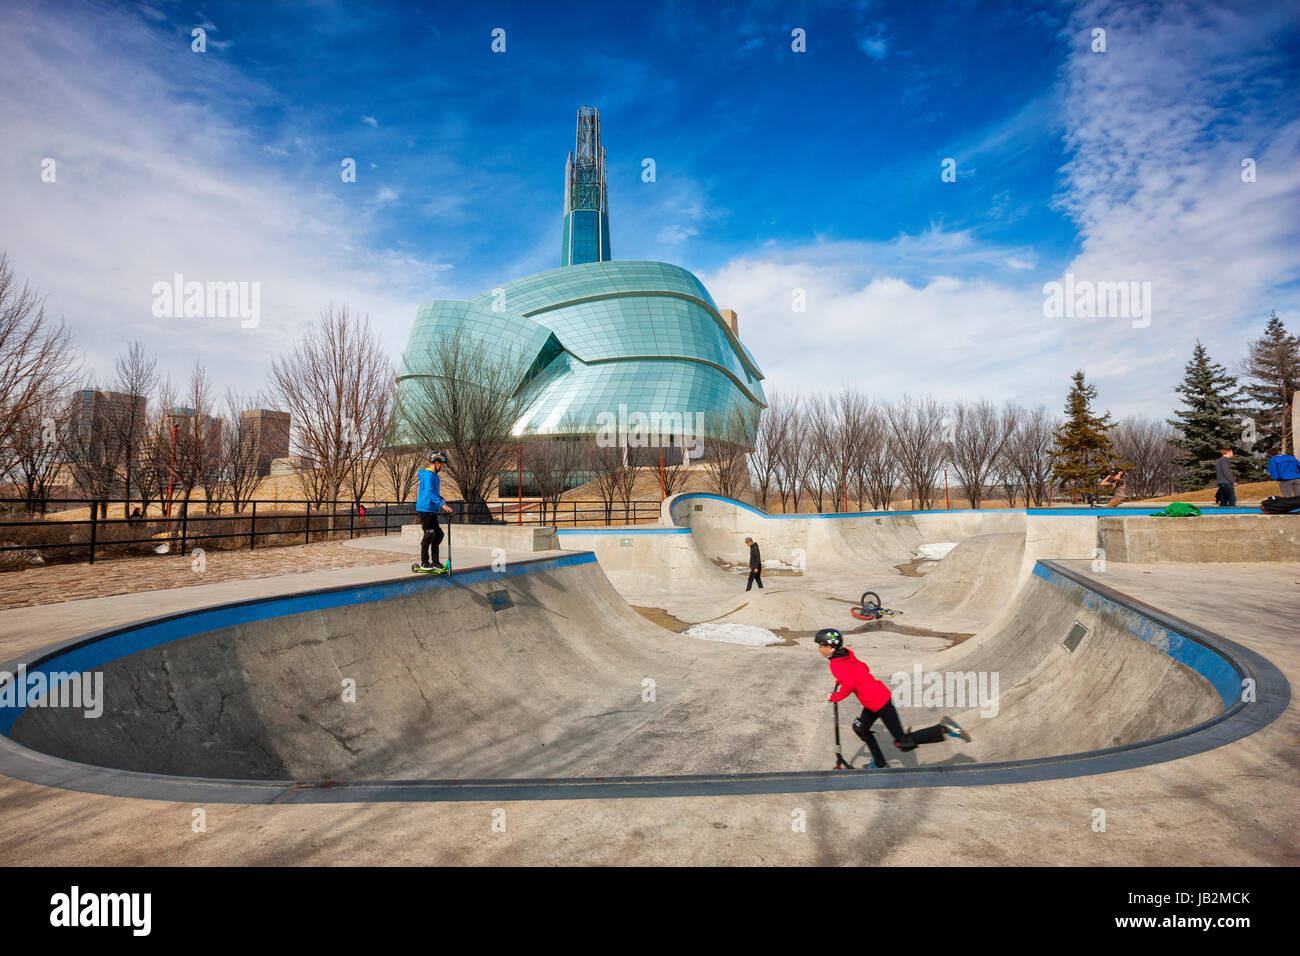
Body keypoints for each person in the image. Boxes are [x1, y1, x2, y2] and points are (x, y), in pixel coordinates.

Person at [815, 628, 969, 769]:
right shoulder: (846, 653)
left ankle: (944, 727)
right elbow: (863, 667)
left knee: (902, 742)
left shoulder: (836, 664)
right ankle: (880, 763)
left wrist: (835, 697)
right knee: (860, 728)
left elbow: (849, 686)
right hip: (873, 700)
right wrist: (843, 679)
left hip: (879, 702)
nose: (820, 649)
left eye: (821, 646)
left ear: (830, 647)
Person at [416, 451, 454, 571]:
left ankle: (435, 562)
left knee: (438, 534)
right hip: (424, 509)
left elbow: (434, 493)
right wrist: (442, 504)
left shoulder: (435, 476)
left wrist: (441, 498)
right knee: (429, 534)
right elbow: (428, 493)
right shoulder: (428, 475)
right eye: (442, 464)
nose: (443, 467)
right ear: (436, 462)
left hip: (432, 509)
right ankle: (424, 562)